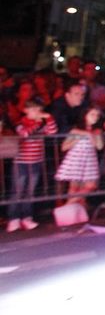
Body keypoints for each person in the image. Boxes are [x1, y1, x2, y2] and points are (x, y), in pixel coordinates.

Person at [6, 98, 55, 232]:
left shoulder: (41, 124)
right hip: (21, 163)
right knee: (18, 191)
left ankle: (26, 218)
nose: (37, 112)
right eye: (33, 109)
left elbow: (52, 132)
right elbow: (24, 134)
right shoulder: (20, 123)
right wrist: (37, 123)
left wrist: (49, 118)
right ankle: (13, 218)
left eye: (39, 109)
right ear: (26, 110)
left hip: (36, 161)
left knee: (30, 191)